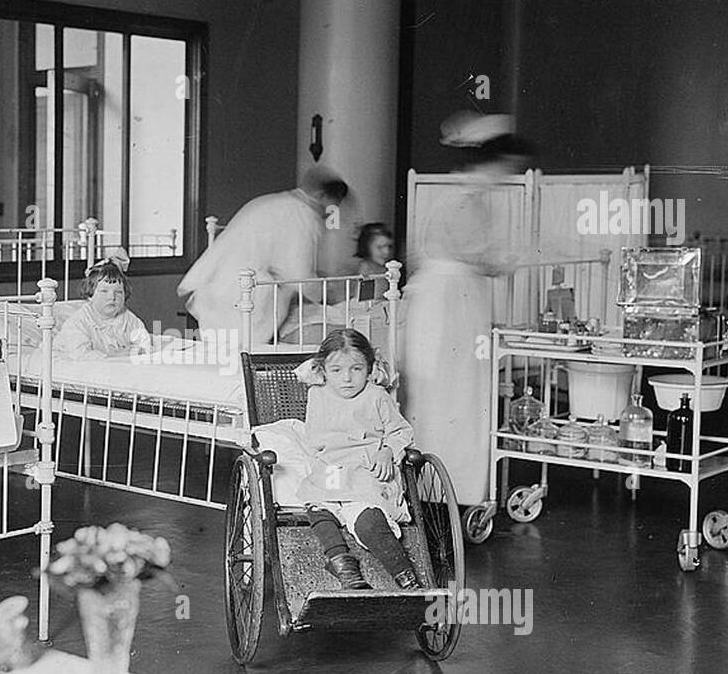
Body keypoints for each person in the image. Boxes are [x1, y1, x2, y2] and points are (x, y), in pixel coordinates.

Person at [401, 112, 532, 507]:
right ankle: (446, 492)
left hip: (443, 301)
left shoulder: (455, 195)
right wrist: (502, 262)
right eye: (508, 167)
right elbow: (473, 255)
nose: (509, 174)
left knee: (444, 397)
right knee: (455, 397)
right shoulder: (467, 199)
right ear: (493, 162)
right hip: (452, 304)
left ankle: (435, 491)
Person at [296, 329, 422, 592]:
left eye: (356, 369)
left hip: (366, 466)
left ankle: (405, 575)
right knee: (321, 504)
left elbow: (401, 431)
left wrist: (387, 450)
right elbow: (307, 374)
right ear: (323, 371)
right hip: (332, 465)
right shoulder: (317, 393)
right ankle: (341, 562)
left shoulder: (376, 396)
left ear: (369, 368)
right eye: (337, 370)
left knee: (368, 516)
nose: (347, 378)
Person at [177, 165, 349, 346]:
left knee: (222, 356)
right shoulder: (303, 214)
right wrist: (325, 294)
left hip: (217, 286)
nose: (329, 212)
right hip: (242, 293)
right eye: (332, 206)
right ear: (322, 196)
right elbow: (298, 272)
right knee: (243, 355)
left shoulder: (272, 202)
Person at [55, 249, 152, 360]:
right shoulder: (79, 322)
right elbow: (81, 354)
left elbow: (144, 344)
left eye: (119, 292)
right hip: (78, 363)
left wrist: (137, 350)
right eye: (104, 291)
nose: (112, 297)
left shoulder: (129, 320)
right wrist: (117, 355)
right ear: (90, 295)